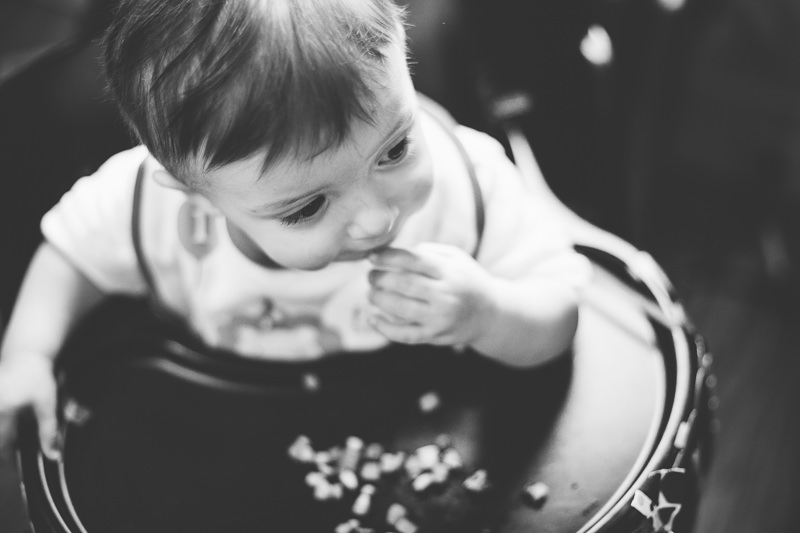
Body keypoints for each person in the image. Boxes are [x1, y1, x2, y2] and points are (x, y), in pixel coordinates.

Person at [0, 0, 591, 462]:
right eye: (306, 208)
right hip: (217, 436)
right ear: (191, 191)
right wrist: (28, 353)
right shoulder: (152, 213)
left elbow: (561, 314)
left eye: (396, 148)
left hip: (418, 422)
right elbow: (70, 255)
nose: (377, 219)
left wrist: (487, 314)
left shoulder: (472, 183)